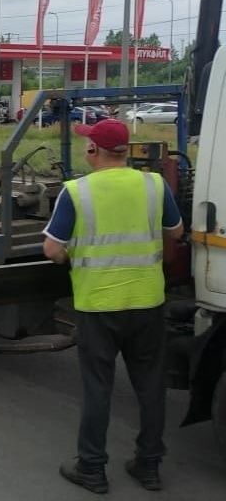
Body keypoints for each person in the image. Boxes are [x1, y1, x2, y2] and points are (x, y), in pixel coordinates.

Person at [42, 119, 184, 494]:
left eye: (88, 143)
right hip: (147, 301)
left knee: (98, 389)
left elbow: (53, 249)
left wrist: (75, 253)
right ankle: (149, 466)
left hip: (98, 305)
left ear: (94, 151)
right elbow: (177, 233)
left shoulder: (76, 192)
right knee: (151, 386)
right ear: (124, 151)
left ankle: (92, 469)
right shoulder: (155, 186)